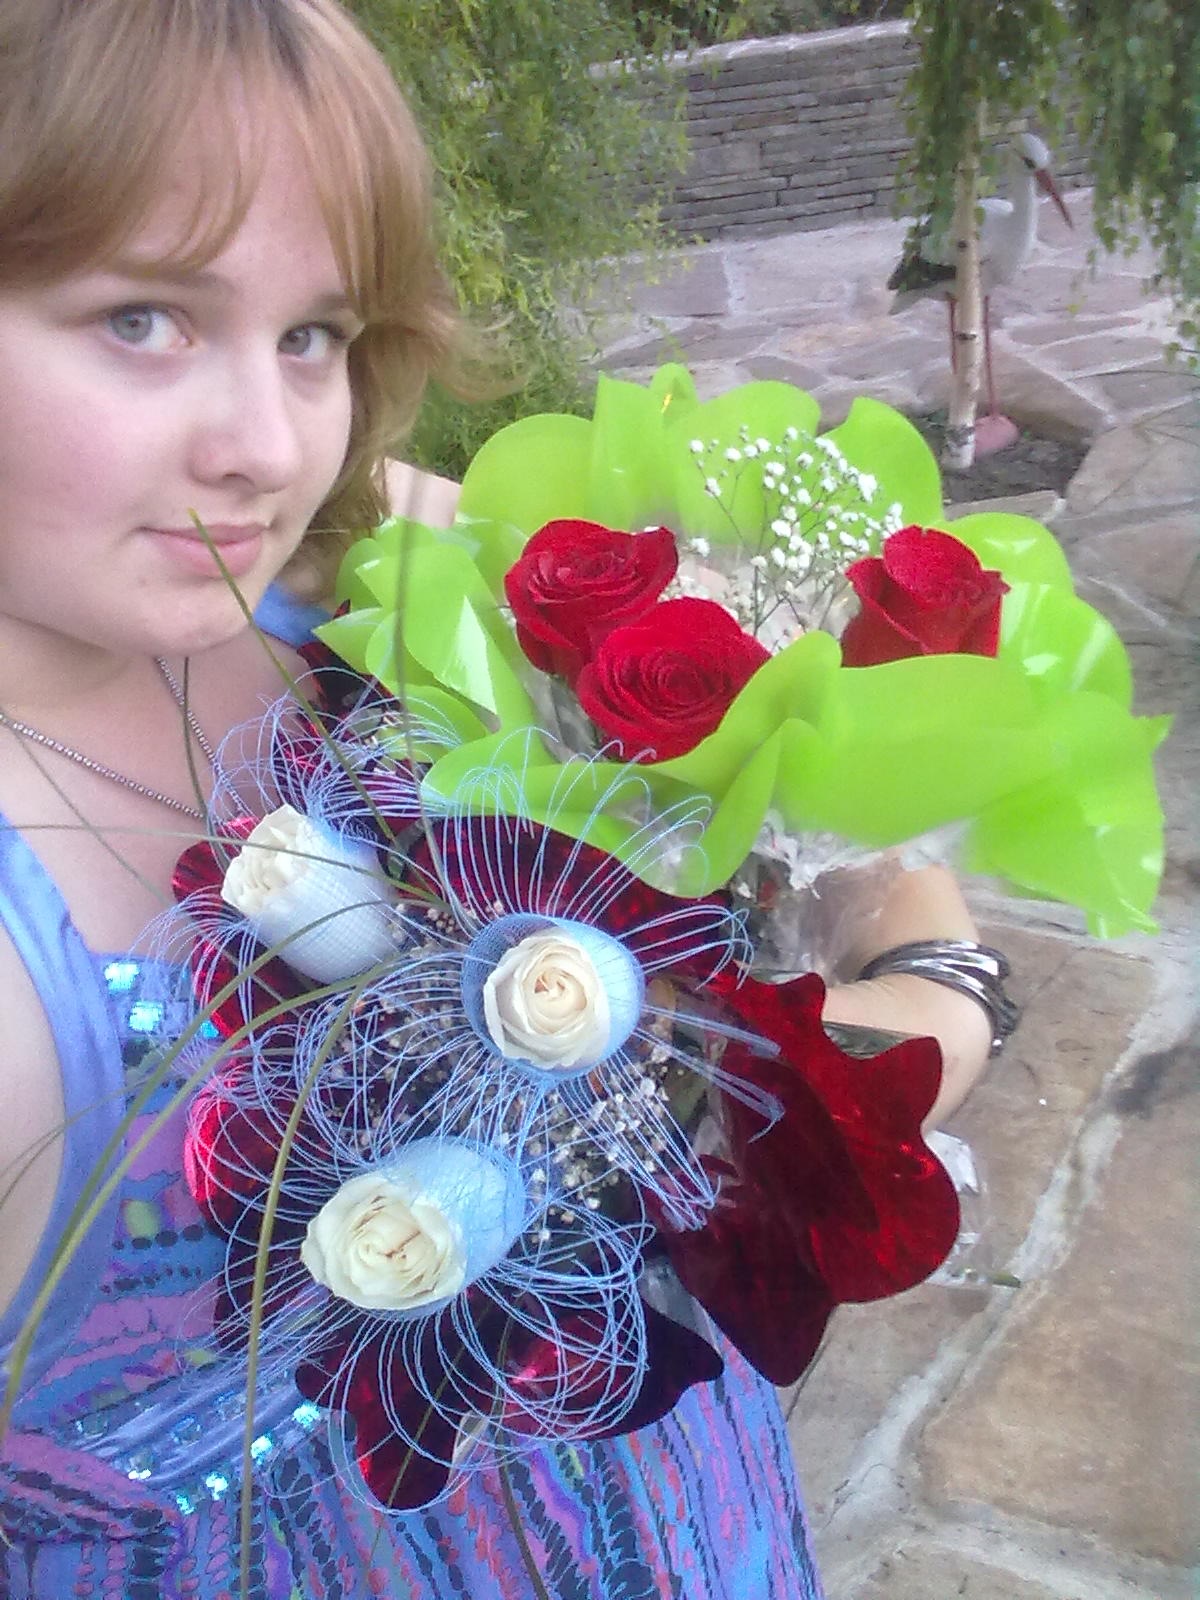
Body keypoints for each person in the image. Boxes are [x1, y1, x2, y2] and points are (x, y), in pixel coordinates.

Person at [0, 2, 1001, 1595]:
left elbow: (805, 746)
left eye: (313, 334)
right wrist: (843, 1057)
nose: (266, 445)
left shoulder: (365, 571)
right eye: (143, 318)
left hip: (694, 1521)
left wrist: (937, 969)